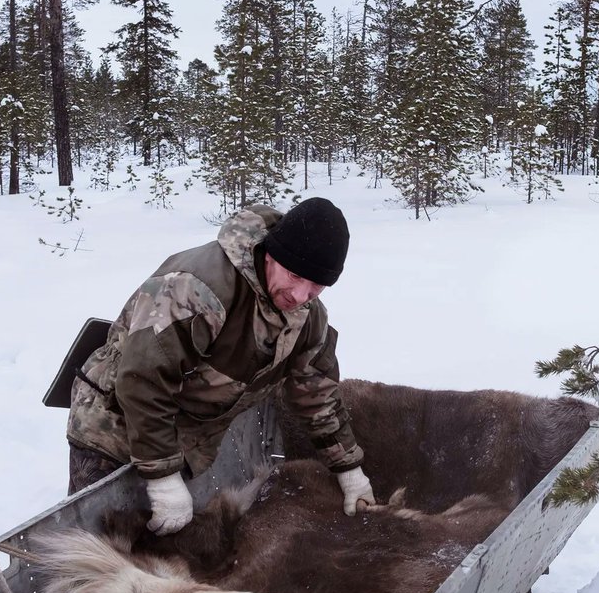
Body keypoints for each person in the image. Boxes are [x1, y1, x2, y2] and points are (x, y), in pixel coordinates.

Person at [65, 197, 374, 534]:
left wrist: (348, 468)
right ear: (271, 254)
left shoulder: (308, 318)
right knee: (99, 548)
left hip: (185, 433)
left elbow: (317, 394)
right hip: (113, 425)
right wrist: (163, 478)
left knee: (161, 550)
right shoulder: (195, 289)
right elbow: (143, 381)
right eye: (295, 275)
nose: (301, 295)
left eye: (317, 285)